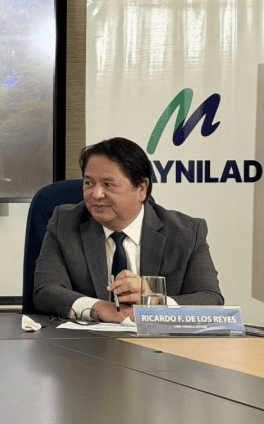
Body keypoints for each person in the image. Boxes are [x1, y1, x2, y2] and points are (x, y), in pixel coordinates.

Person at [33, 136, 223, 323]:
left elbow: (211, 299)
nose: (96, 194)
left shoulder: (186, 232)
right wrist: (99, 308)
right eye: (89, 183)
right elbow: (45, 291)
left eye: (108, 185)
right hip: (84, 346)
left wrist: (156, 300)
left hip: (160, 348)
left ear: (141, 189)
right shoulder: (65, 223)